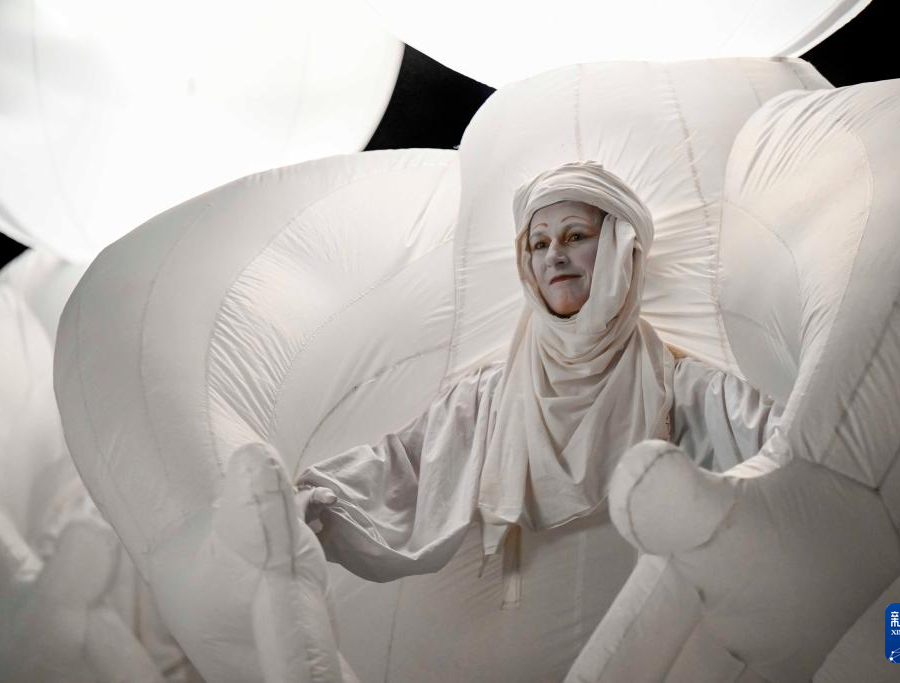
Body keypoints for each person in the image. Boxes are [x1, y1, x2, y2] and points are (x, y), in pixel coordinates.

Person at [295, 161, 779, 585]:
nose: (554, 256)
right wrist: (305, 500)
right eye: (539, 243)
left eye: (576, 236)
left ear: (620, 247)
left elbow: (789, 451)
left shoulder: (683, 389)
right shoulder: (489, 398)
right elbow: (406, 467)